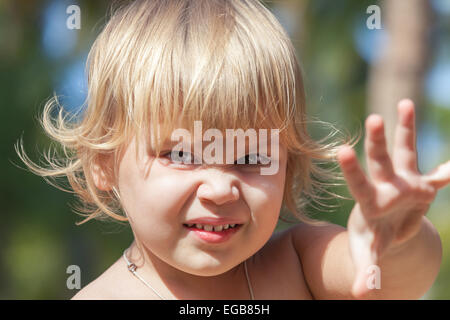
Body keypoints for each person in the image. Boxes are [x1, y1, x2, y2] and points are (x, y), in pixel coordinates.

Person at [16, 0, 450, 300]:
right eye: (182, 155)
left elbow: (392, 281)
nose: (221, 188)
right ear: (104, 166)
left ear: (288, 165)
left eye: (250, 157)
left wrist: (393, 241)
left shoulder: (299, 262)